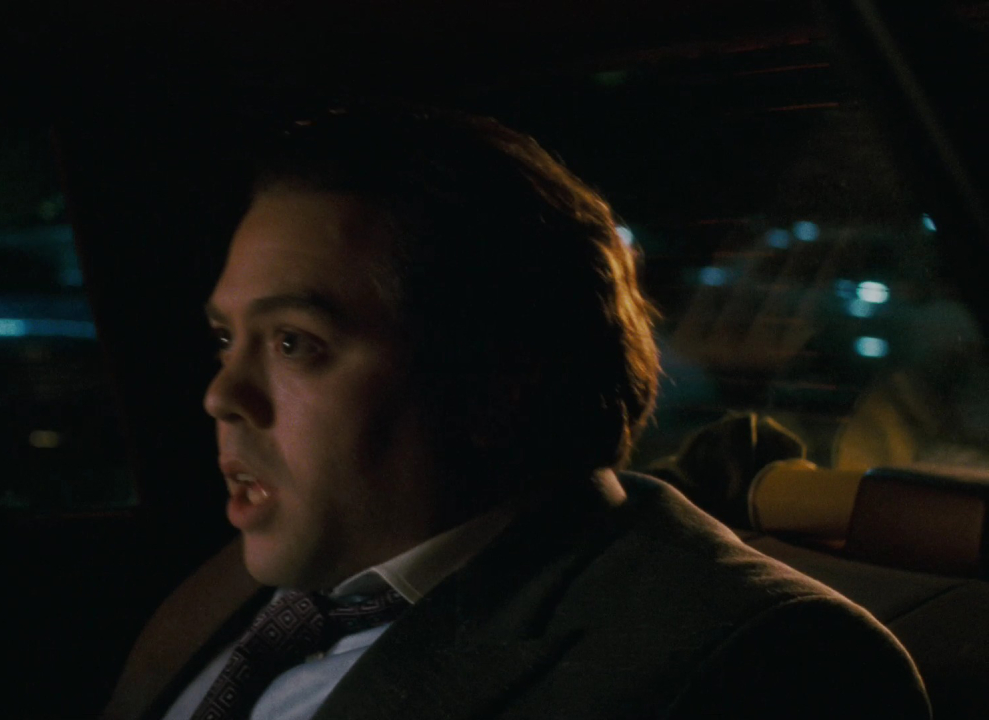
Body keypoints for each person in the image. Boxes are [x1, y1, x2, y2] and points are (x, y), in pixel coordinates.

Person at [102, 107, 931, 720]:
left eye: (294, 343)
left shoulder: (763, 662)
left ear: (498, 381)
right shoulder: (254, 579)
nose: (222, 395)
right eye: (226, 338)